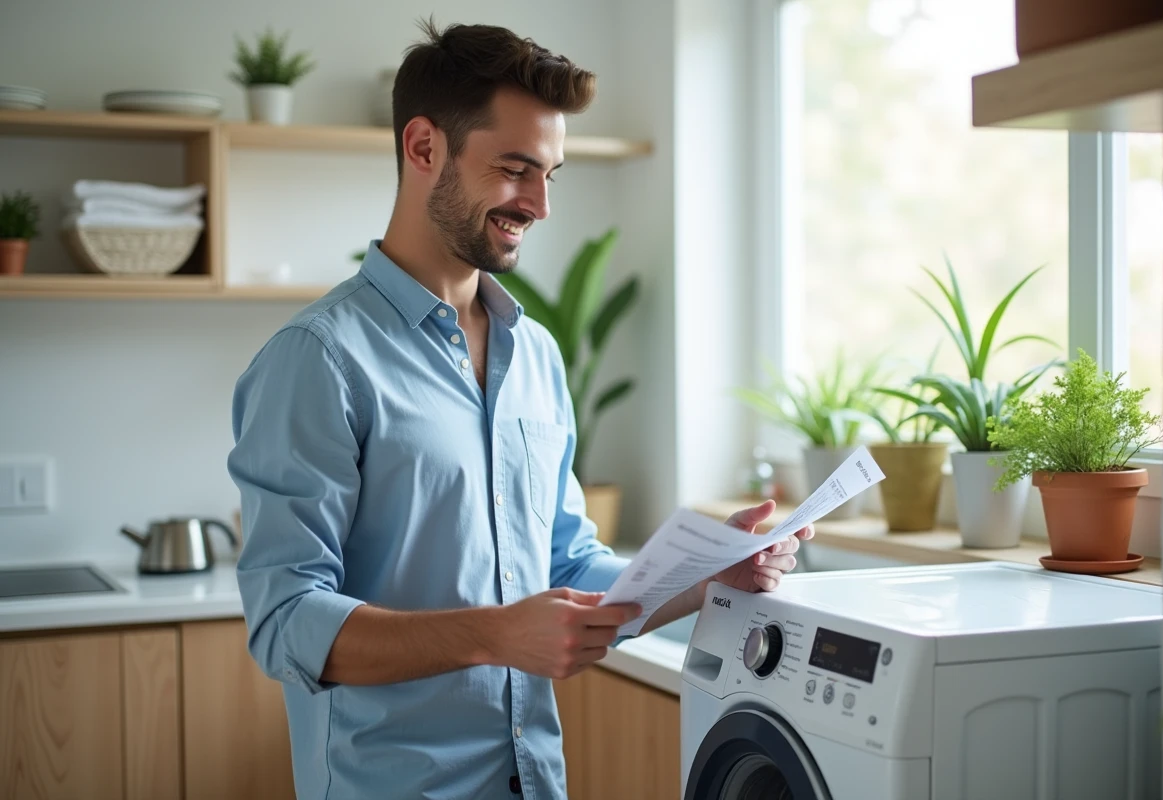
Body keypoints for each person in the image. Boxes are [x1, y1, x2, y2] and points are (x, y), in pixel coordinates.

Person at [228, 19, 812, 800]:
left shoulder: (532, 354)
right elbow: (285, 623)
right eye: (514, 169)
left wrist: (712, 576)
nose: (538, 203)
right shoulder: (320, 359)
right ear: (423, 147)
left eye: (551, 174)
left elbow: (568, 566)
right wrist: (497, 633)